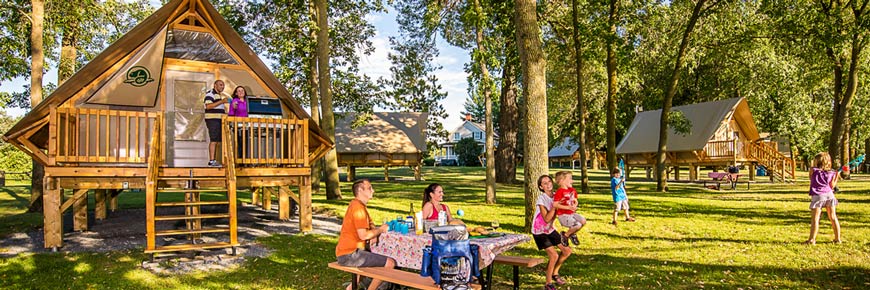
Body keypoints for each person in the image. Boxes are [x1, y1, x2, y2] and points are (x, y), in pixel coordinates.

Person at [335, 179, 396, 290]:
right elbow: (363, 235)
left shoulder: (358, 205)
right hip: (350, 254)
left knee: (361, 273)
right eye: (369, 188)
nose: (373, 190)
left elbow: (370, 224)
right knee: (390, 263)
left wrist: (374, 233)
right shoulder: (358, 208)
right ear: (360, 191)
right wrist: (381, 230)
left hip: (349, 252)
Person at [532, 175, 572, 290]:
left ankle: (555, 273)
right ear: (541, 187)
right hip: (539, 231)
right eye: (544, 183)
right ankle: (548, 283)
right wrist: (555, 206)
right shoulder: (541, 199)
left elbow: (565, 209)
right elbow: (546, 219)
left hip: (549, 229)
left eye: (549, 181)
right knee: (553, 255)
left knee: (567, 251)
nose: (548, 184)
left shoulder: (556, 195)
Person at [805, 152, 842, 245]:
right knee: (833, 217)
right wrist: (836, 176)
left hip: (818, 196)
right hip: (830, 195)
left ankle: (812, 240)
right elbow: (832, 186)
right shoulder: (832, 172)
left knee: (815, 219)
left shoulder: (813, 170)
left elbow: (811, 178)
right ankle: (837, 239)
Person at [553, 171, 586, 246]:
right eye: (570, 179)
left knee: (583, 221)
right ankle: (565, 235)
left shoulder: (572, 190)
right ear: (562, 181)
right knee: (577, 225)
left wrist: (575, 203)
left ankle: (571, 233)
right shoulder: (560, 192)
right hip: (563, 215)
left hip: (572, 213)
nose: (572, 181)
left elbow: (575, 200)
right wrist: (567, 207)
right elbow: (555, 204)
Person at [204, 80, 228, 167]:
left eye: (223, 85)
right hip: (212, 120)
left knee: (217, 140)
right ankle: (211, 161)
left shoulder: (219, 95)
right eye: (220, 85)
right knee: (214, 140)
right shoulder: (210, 94)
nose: (222, 87)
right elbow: (208, 106)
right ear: (215, 85)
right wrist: (222, 102)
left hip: (219, 120)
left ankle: (215, 160)